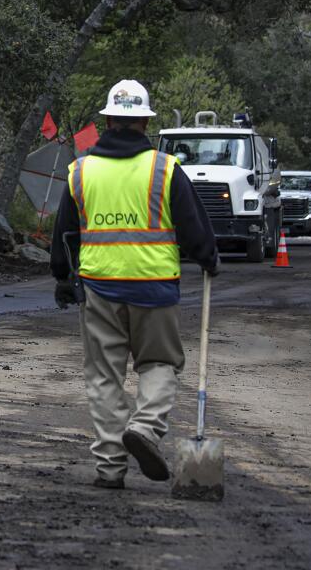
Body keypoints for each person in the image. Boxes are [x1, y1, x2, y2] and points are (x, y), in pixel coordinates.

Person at [50, 79, 219, 490]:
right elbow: (195, 228)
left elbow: (64, 235)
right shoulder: (165, 169)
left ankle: (110, 469)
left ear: (107, 119)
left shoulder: (81, 171)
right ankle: (144, 427)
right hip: (155, 289)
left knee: (105, 378)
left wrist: (61, 278)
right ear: (144, 120)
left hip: (99, 288)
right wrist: (208, 258)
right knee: (159, 364)